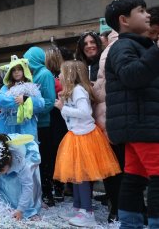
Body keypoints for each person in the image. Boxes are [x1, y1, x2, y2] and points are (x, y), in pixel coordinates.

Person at [104, 0, 159, 228]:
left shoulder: (137, 45)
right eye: (142, 10)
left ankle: (129, 224)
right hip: (142, 124)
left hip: (138, 123)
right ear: (124, 20)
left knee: (135, 178)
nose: (148, 15)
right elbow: (131, 75)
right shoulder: (122, 46)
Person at [53, 60, 121, 227]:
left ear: (70, 74)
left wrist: (64, 108)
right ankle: (78, 208)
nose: (59, 76)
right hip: (76, 135)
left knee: (81, 176)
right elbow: (69, 118)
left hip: (84, 137)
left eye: (61, 72)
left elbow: (84, 113)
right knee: (76, 175)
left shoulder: (78, 91)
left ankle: (87, 212)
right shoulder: (71, 92)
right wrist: (63, 106)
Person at [92, 30, 122, 222]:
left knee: (116, 169)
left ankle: (118, 209)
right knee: (117, 169)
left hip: (109, 119)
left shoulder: (111, 51)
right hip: (111, 119)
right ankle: (119, 209)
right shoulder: (116, 49)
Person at [23, 46, 56, 206]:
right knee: (34, 159)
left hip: (43, 124)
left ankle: (47, 193)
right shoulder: (31, 76)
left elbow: (49, 101)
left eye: (28, 60)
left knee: (44, 159)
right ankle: (37, 193)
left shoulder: (45, 74)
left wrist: (31, 108)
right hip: (31, 124)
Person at [0, 134, 41, 220]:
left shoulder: (19, 161)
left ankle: (29, 205)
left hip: (22, 159)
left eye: (1, 170)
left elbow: (27, 186)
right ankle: (5, 200)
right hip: (4, 161)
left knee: (17, 185)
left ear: (9, 160)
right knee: (1, 184)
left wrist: (20, 210)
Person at [0, 56, 44, 141]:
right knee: (10, 151)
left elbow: (40, 104)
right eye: (13, 70)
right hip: (7, 128)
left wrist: (26, 99)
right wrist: (17, 101)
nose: (16, 72)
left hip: (26, 128)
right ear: (10, 72)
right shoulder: (6, 87)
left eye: (19, 69)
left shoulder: (31, 87)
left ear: (24, 70)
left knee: (28, 151)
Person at [44, 46, 70, 202]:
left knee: (51, 153)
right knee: (58, 152)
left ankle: (56, 187)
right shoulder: (63, 76)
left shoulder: (50, 77)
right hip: (61, 118)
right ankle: (59, 187)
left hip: (53, 117)